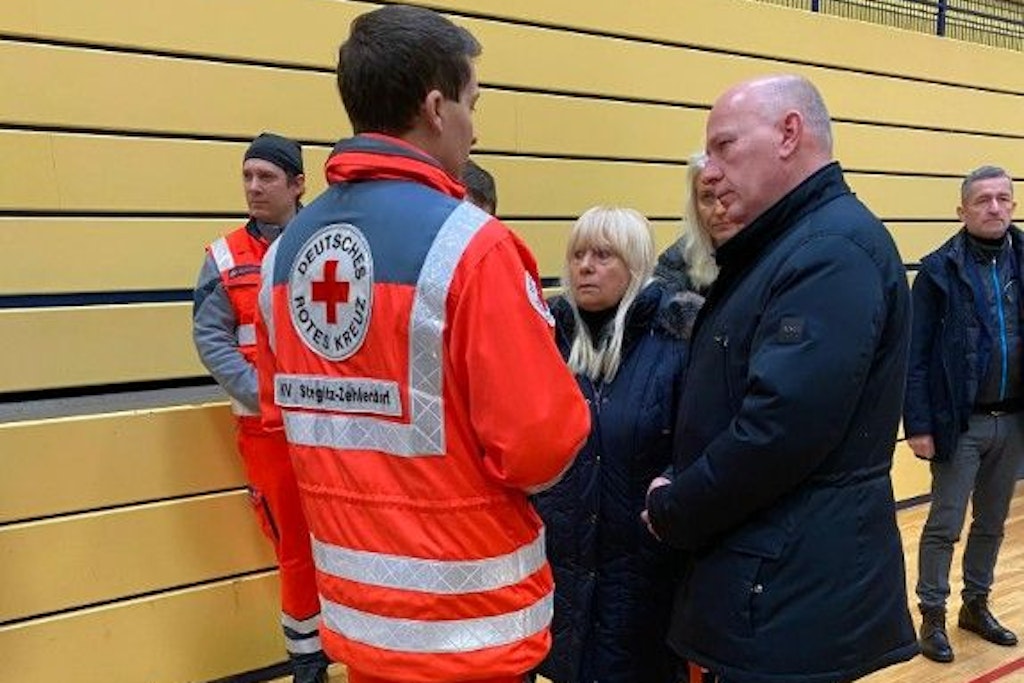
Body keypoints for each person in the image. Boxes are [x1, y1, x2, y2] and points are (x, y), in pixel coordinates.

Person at [254, 6, 590, 683]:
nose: (476, 127)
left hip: (361, 621)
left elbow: (284, 420)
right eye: (472, 103)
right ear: (436, 108)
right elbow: (541, 446)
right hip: (472, 629)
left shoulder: (281, 259)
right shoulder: (473, 248)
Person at [643, 74, 919, 683]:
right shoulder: (789, 245)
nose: (709, 171)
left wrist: (675, 508)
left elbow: (779, 432)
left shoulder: (829, 251)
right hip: (772, 580)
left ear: (789, 134)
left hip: (788, 595)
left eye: (724, 146)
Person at [531, 207, 698, 683]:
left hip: (646, 587)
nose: (585, 266)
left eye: (603, 255)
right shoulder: (547, 340)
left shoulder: (678, 342)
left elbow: (696, 450)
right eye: (578, 254)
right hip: (564, 579)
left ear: (636, 264)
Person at [192, 133, 329, 683]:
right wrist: (266, 396)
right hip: (269, 434)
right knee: (294, 550)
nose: (253, 187)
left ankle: (357, 643)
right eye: (247, 176)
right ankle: (308, 663)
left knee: (350, 538)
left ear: (298, 184)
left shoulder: (327, 245)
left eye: (266, 177)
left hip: (329, 428)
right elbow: (212, 338)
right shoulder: (224, 258)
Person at [904, 165, 1021, 663]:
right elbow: (915, 355)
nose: (994, 207)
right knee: (945, 522)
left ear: (1013, 205)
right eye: (982, 200)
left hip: (1012, 420)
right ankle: (932, 614)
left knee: (992, 521)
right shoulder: (937, 271)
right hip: (960, 422)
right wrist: (918, 424)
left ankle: (976, 605)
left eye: (1003, 198)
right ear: (962, 211)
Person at [653, 152, 741, 294]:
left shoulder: (773, 253)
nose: (719, 210)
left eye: (727, 194)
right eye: (707, 197)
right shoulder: (676, 262)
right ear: (695, 206)